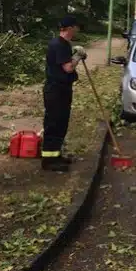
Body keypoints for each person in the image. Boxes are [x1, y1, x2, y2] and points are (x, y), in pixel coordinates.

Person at [41, 16, 87, 172]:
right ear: (70, 28)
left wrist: (74, 52)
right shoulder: (59, 45)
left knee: (61, 124)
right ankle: (48, 161)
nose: (77, 30)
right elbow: (68, 68)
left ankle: (56, 154)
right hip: (56, 91)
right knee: (54, 124)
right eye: (76, 27)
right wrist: (78, 56)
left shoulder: (63, 44)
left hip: (62, 90)